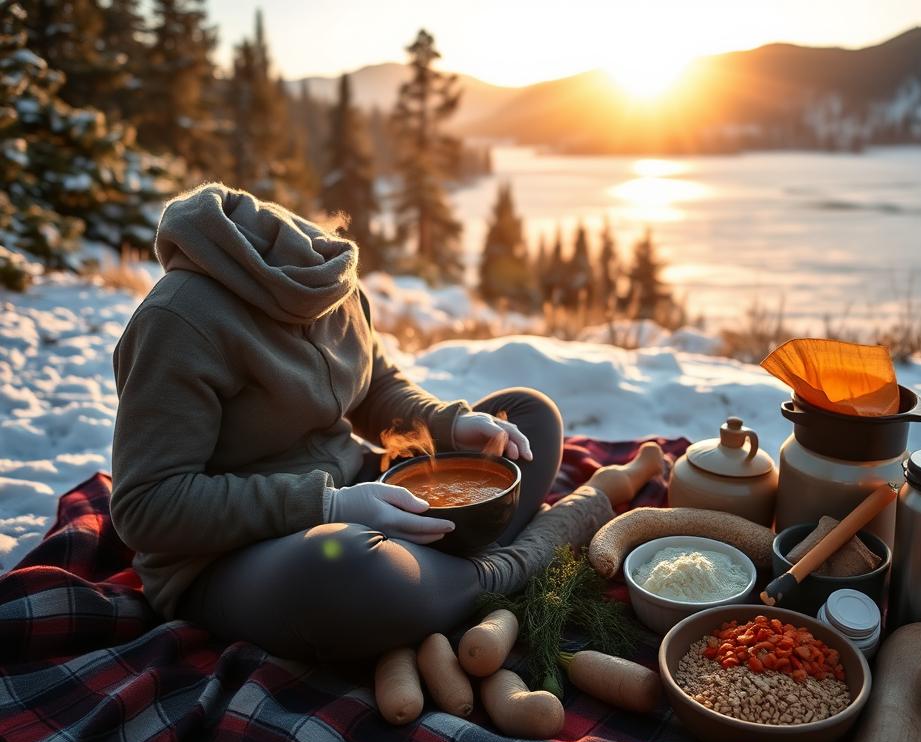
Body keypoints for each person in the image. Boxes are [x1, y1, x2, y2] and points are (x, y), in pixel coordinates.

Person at [110, 184, 613, 661]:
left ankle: (437, 584)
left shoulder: (327, 280)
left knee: (528, 416)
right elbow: (146, 506)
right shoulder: (176, 322)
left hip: (361, 491)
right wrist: (328, 506)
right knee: (346, 566)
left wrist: (452, 426)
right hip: (235, 555)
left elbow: (374, 387)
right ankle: (504, 569)